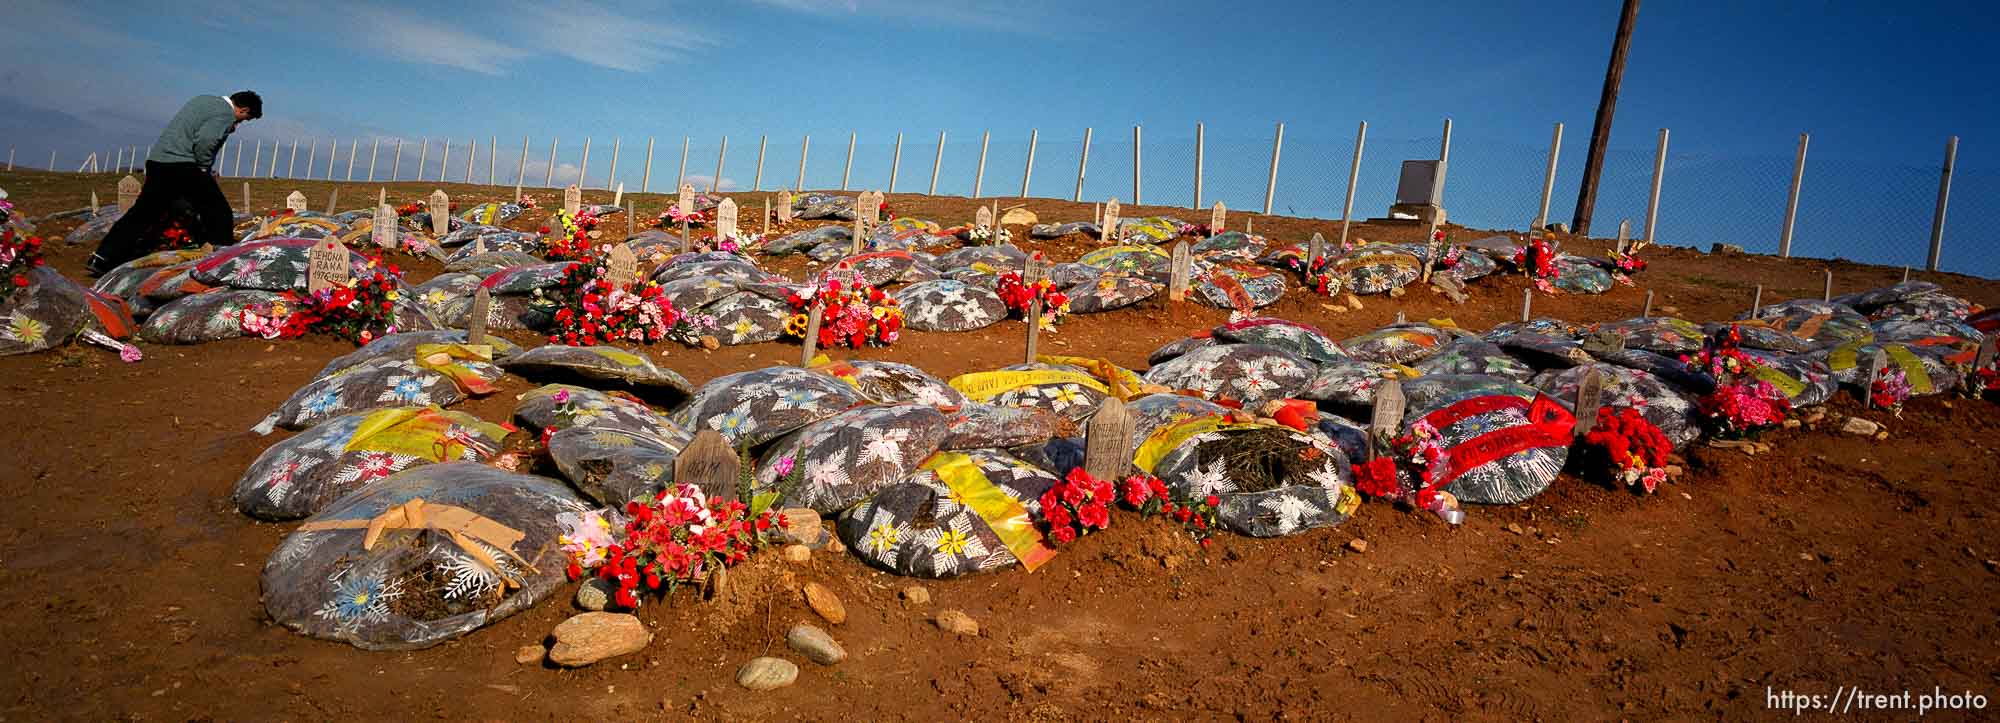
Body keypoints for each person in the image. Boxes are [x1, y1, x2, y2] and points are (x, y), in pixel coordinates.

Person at [86, 91, 261, 275]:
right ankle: (222, 263)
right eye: (244, 119)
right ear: (243, 110)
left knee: (142, 214)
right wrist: (204, 167)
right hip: (182, 165)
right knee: (218, 211)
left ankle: (102, 258)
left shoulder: (203, 100)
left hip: (158, 161)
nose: (239, 123)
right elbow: (206, 140)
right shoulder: (225, 113)